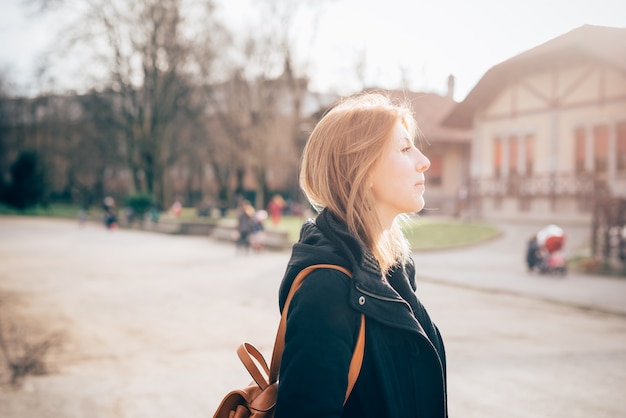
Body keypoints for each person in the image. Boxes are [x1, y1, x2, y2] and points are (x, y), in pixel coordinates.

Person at [275, 93, 447, 418]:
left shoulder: (395, 271)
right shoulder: (326, 289)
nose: (424, 160)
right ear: (363, 169)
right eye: (405, 148)